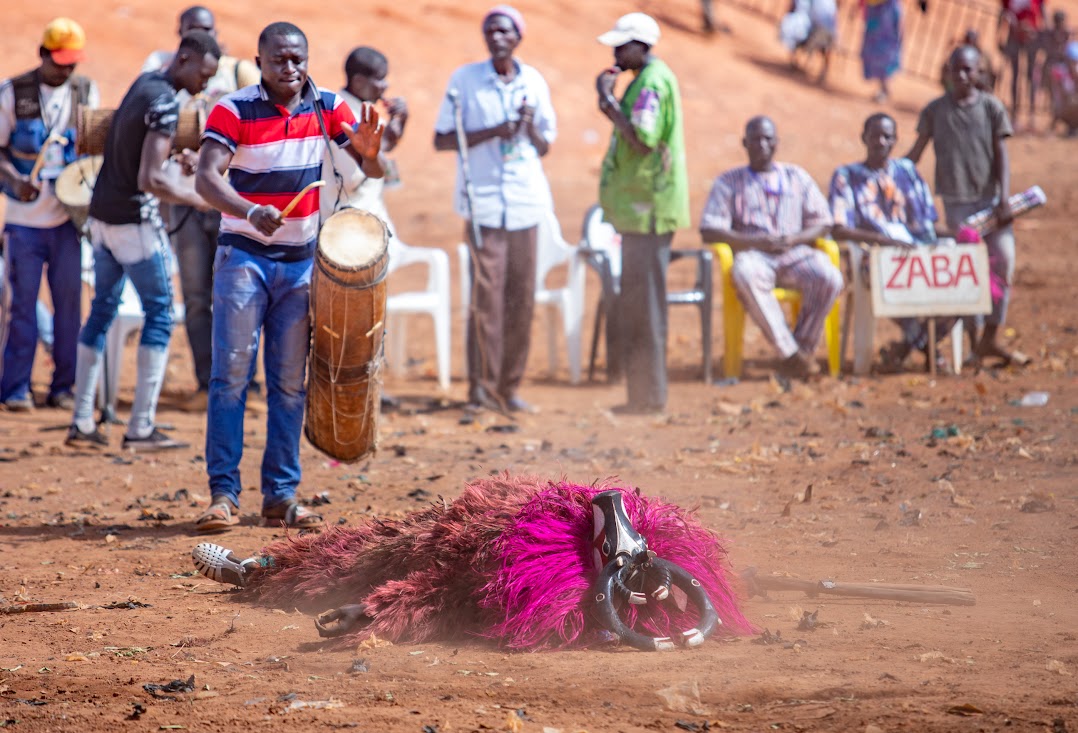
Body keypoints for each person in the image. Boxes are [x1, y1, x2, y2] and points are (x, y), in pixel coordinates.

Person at [193, 21, 383, 534]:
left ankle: (280, 495)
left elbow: (376, 169)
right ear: (259, 62)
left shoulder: (328, 106)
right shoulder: (233, 109)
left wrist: (370, 152)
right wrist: (250, 211)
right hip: (243, 257)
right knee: (230, 377)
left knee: (288, 383)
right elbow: (207, 178)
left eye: (297, 58)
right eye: (279, 59)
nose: (290, 68)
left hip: (300, 261)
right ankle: (223, 495)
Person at [65, 30, 221, 450]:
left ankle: (81, 421)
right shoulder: (166, 101)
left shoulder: (144, 83)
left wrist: (174, 160)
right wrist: (199, 198)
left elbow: (138, 153)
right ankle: (140, 428)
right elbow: (149, 179)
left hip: (100, 215)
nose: (203, 84)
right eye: (203, 75)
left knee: (101, 311)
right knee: (159, 313)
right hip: (133, 221)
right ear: (185, 58)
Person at [433, 5, 556, 414]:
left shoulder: (534, 81)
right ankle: (481, 390)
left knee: (521, 298)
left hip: (525, 202)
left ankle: (510, 388)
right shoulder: (464, 80)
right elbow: (442, 139)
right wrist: (494, 131)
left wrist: (528, 125)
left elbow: (545, 145)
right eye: (490, 30)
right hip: (482, 203)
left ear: (518, 37)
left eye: (504, 31)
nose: (496, 36)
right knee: (486, 299)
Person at [141, 6, 261, 413]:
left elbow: (255, 129)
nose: (201, 35)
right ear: (180, 35)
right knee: (196, 295)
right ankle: (206, 383)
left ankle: (248, 382)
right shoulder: (161, 70)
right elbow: (146, 127)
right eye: (193, 30)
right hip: (184, 201)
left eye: (207, 29)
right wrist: (183, 155)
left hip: (229, 197)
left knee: (242, 292)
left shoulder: (240, 72)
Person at [0, 18, 99, 413]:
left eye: (73, 62)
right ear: (42, 55)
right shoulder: (14, 93)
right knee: (22, 305)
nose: (68, 69)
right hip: (25, 222)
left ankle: (64, 387)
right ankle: (16, 389)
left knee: (69, 307)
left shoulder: (85, 90)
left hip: (67, 223)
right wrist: (13, 178)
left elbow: (96, 145)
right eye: (60, 62)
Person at [906, 45, 1027, 366]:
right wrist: (893, 174)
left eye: (968, 70)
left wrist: (1003, 198)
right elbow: (916, 152)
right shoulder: (934, 111)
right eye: (956, 69)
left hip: (990, 201)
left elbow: (1001, 153)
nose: (961, 76)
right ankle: (974, 341)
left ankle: (990, 337)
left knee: (1003, 261)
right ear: (947, 72)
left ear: (979, 73)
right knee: (968, 271)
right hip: (956, 203)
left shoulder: (991, 108)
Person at [595, 13, 688, 415]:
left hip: (648, 210)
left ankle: (649, 398)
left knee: (646, 304)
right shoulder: (648, 79)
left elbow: (645, 141)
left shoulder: (650, 83)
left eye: (622, 45)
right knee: (640, 301)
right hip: (641, 211)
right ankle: (643, 395)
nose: (615, 53)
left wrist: (608, 104)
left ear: (642, 46)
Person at [699, 116, 840, 380]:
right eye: (755, 139)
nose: (761, 145)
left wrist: (795, 239)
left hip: (795, 253)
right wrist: (755, 242)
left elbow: (823, 223)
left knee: (830, 277)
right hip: (755, 256)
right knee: (744, 274)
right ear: (745, 143)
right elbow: (709, 229)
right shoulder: (728, 182)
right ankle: (789, 353)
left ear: (776, 143)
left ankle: (802, 351)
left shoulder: (796, 177)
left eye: (767, 139)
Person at [829, 112, 953, 372]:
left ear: (895, 139)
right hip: (872, 256)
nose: (880, 141)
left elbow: (927, 224)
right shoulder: (846, 176)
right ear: (864, 138)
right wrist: (881, 241)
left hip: (916, 251)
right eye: (875, 135)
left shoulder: (907, 172)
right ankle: (930, 349)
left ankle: (910, 345)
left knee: (963, 272)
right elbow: (839, 228)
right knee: (884, 273)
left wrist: (956, 235)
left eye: (887, 136)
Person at [321, 45, 408, 226]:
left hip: (371, 218)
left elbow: (382, 146)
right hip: (349, 226)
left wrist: (400, 121)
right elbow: (355, 177)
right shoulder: (342, 115)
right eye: (380, 79)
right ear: (359, 82)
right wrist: (380, 149)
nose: (386, 86)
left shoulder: (363, 111)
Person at [860, 0, 924, 103]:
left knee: (884, 58)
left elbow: (898, 18)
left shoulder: (893, 6)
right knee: (874, 55)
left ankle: (884, 89)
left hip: (886, 31)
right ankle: (883, 88)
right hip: (875, 25)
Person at [998, 0, 1046, 130]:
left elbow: (1042, 10)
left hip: (1032, 36)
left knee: (1031, 76)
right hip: (1013, 36)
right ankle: (1014, 115)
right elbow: (1003, 11)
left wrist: (1043, 36)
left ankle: (1031, 116)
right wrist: (999, 36)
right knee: (1015, 76)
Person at [780, 0, 837, 84]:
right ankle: (797, 61)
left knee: (824, 41)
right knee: (797, 29)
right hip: (810, 22)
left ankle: (821, 68)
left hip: (822, 26)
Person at [1041, 11, 1074, 133]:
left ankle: (1063, 121)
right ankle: (1054, 122)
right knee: (1054, 97)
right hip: (1052, 68)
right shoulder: (1050, 34)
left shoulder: (1065, 34)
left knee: (1063, 96)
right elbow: (1050, 51)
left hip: (1063, 69)